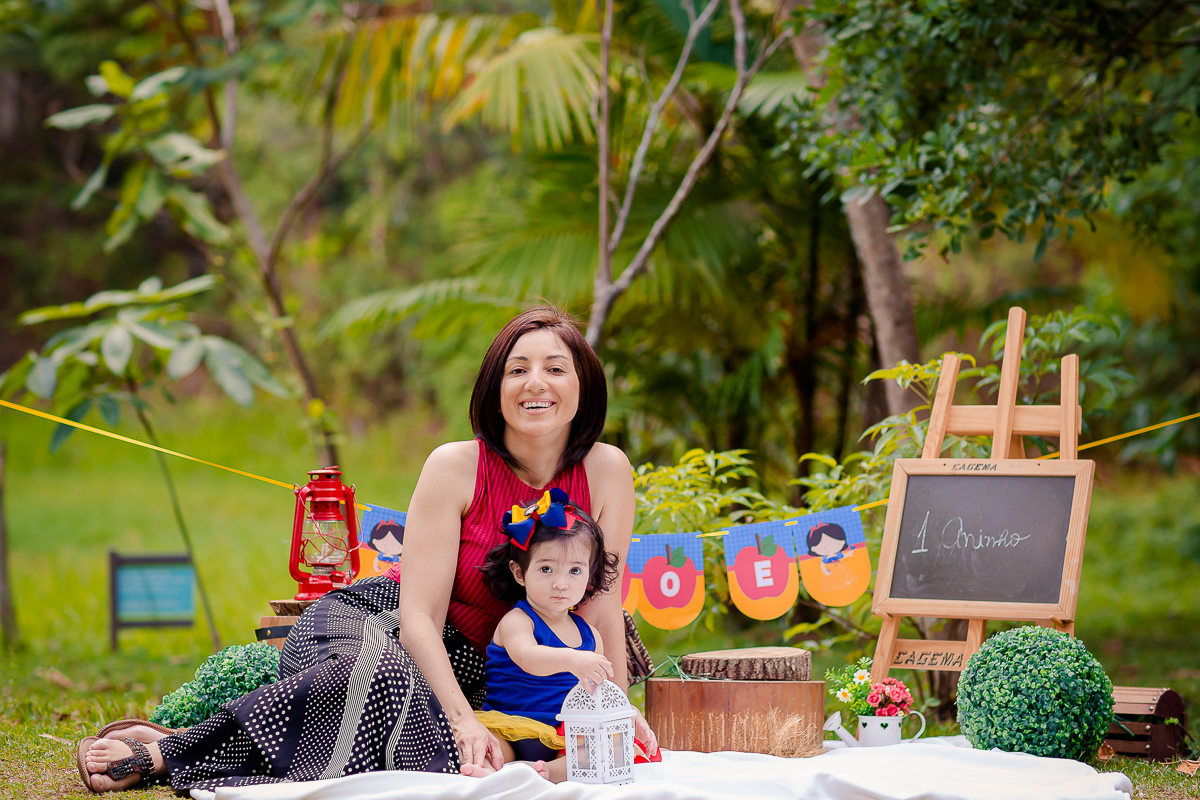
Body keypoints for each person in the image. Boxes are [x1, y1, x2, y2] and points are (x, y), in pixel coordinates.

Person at [78, 306, 658, 793]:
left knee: (440, 757)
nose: (535, 383)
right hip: (386, 626)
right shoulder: (456, 467)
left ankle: (190, 741)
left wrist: (615, 708)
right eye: (518, 369)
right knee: (385, 679)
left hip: (494, 675)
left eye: (555, 368)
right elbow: (418, 617)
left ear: (583, 386)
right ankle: (168, 754)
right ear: (495, 388)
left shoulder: (607, 471)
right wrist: (461, 719)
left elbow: (602, 606)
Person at [469, 488, 619, 781]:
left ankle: (550, 772)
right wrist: (573, 660)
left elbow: (599, 691)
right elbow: (528, 657)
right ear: (519, 573)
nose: (561, 583)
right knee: (493, 748)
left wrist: (623, 712)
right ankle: (486, 772)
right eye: (547, 569)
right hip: (510, 726)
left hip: (564, 733)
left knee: (598, 748)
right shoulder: (518, 620)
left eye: (575, 571)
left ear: (590, 575)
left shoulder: (590, 636)